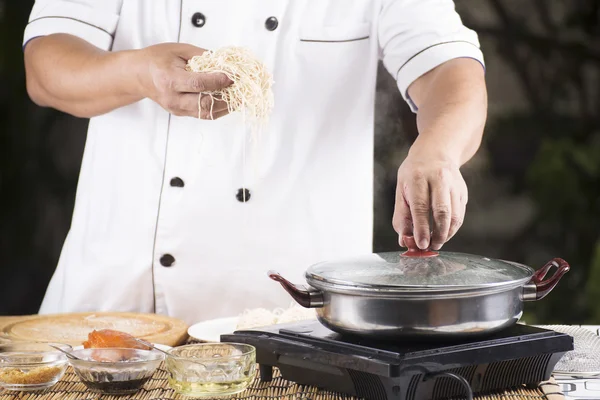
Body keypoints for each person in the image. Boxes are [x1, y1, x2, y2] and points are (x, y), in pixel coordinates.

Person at [22, 0, 487, 326]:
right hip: (119, 311)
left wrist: (438, 150)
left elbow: (452, 68)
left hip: (301, 317)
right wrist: (137, 73)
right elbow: (46, 66)